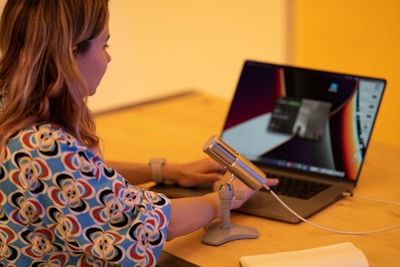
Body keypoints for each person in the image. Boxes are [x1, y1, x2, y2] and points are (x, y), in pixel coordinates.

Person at [0, 0, 279, 266]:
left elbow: (76, 176)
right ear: (71, 53)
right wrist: (226, 198)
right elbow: (149, 225)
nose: (108, 57)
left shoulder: (11, 108)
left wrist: (163, 171)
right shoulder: (45, 145)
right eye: (104, 44)